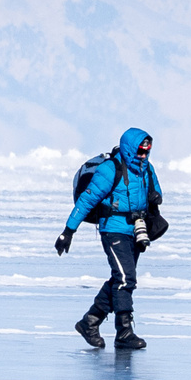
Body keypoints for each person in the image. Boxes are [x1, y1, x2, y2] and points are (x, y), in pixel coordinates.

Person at [56, 127, 165, 351]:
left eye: (146, 152)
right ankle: (124, 332)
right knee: (126, 278)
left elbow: (156, 189)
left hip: (136, 229)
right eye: (140, 151)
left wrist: (156, 197)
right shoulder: (109, 169)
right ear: (130, 149)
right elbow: (86, 201)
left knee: (121, 278)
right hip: (113, 230)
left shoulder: (146, 168)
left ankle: (90, 322)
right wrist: (68, 231)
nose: (143, 156)